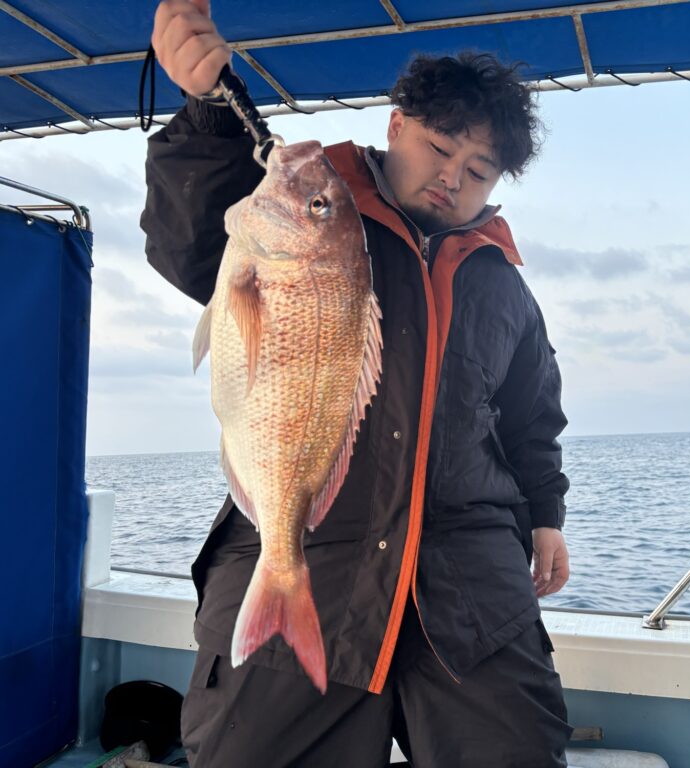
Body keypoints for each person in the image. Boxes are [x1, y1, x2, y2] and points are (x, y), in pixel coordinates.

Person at [142, 1, 573, 766]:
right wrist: (207, 112)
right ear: (397, 125)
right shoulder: (319, 219)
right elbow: (195, 242)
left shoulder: (502, 283)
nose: (452, 178)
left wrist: (546, 515)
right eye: (440, 148)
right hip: (309, 540)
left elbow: (531, 416)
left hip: (470, 578)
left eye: (478, 171)